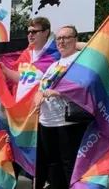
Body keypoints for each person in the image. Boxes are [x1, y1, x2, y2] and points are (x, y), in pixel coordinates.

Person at [34, 26, 88, 189]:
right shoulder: (54, 64)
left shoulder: (80, 60)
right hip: (47, 122)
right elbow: (41, 88)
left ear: (75, 39)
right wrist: (38, 97)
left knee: (69, 163)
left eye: (66, 37)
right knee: (53, 164)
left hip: (67, 122)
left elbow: (83, 84)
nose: (61, 41)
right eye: (59, 38)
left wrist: (58, 92)